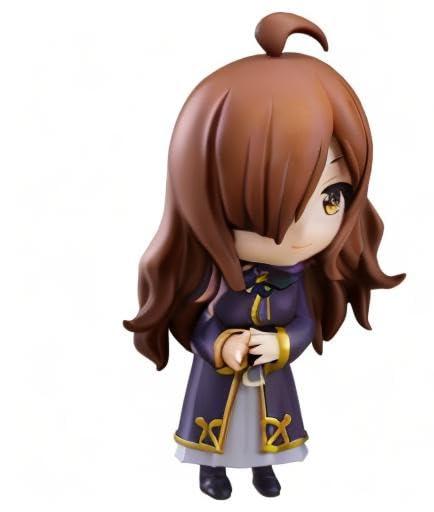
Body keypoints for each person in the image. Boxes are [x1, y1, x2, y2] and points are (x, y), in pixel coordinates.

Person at [124, 11, 404, 500]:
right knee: (216, 426)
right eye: (262, 204)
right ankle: (211, 471)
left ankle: (263, 469)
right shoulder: (215, 276)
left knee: (263, 429)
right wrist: (221, 346)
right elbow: (202, 324)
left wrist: (280, 346)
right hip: (219, 376)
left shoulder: (295, 280)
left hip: (270, 376)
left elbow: (303, 323)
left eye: (332, 196)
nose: (306, 231)